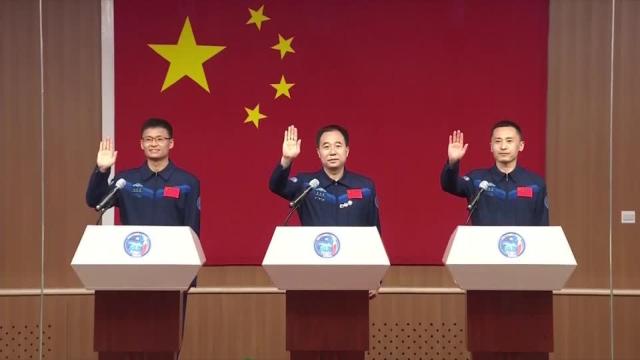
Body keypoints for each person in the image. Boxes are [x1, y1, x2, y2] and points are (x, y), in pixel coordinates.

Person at [86, 118, 200, 234]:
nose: (154, 144)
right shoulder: (125, 181)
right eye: (148, 139)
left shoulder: (187, 183)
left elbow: (193, 230)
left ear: (170, 143)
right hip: (134, 249)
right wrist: (102, 170)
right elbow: (94, 201)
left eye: (160, 139)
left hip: (172, 251)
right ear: (142, 144)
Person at [269, 124, 380, 231]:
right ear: (319, 152)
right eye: (326, 147)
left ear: (347, 151)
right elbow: (276, 186)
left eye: (338, 146)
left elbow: (375, 234)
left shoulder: (366, 187)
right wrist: (287, 159)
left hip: (355, 250)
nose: (332, 152)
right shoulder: (306, 185)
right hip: (315, 250)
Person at [441, 119, 549, 226]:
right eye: (498, 141)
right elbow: (449, 185)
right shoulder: (477, 180)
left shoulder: (535, 184)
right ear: (491, 146)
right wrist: (453, 162)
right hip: (484, 243)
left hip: (523, 243)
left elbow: (543, 226)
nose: (503, 146)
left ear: (521, 146)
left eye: (509, 141)